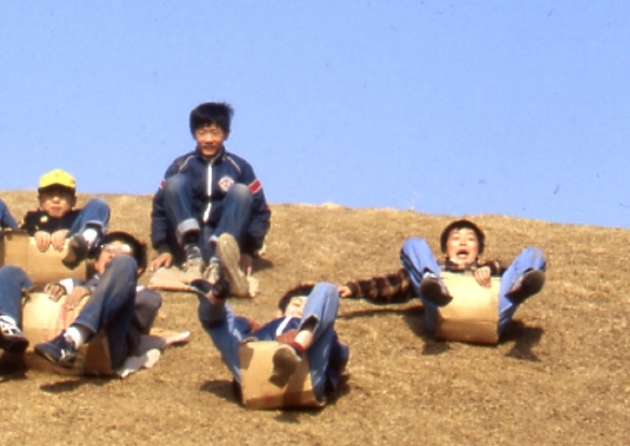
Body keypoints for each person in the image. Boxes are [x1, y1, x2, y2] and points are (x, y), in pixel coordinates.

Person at [0, 233, 161, 373]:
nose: (113, 255)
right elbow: (52, 290)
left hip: (110, 344)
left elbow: (146, 307)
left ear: (138, 270)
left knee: (123, 267)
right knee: (10, 272)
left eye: (122, 251)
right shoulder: (76, 283)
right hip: (52, 327)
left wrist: (91, 291)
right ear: (96, 263)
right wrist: (59, 287)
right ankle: (7, 325)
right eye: (107, 250)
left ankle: (71, 340)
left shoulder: (144, 294)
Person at [339, 219, 547, 338]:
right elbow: (393, 285)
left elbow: (509, 269)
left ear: (478, 251)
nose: (462, 242)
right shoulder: (439, 267)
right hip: (441, 310)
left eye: (470, 239)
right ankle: (434, 284)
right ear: (446, 251)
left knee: (533, 254)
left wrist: (490, 269)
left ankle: (521, 286)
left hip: (491, 314)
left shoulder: (491, 269)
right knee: (413, 244)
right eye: (456, 239)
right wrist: (355, 289)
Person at [149, 102, 271, 296]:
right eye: (202, 133)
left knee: (241, 192)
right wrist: (163, 247)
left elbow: (260, 211)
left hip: (223, 242)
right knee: (174, 184)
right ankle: (193, 260)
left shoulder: (240, 167)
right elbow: (160, 208)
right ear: (193, 134)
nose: (208, 140)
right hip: (187, 244)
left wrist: (248, 250)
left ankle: (219, 265)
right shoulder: (181, 165)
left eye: (215, 133)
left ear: (226, 134)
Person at [190, 278, 349, 404]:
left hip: (306, 374)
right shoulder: (262, 328)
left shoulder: (327, 335)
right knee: (222, 321)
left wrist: (304, 337)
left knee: (327, 289)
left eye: (309, 307)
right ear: (279, 313)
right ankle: (215, 300)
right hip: (257, 370)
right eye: (296, 304)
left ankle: (296, 348)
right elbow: (228, 329)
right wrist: (255, 336)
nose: (301, 310)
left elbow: (339, 356)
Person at [0, 168, 110, 268]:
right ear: (40, 200)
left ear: (73, 200)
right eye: (50, 195)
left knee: (99, 204)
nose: (56, 200)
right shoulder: (33, 217)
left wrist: (69, 234)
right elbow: (21, 234)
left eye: (63, 195)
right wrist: (35, 234)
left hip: (71, 248)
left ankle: (85, 241)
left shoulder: (78, 217)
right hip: (30, 253)